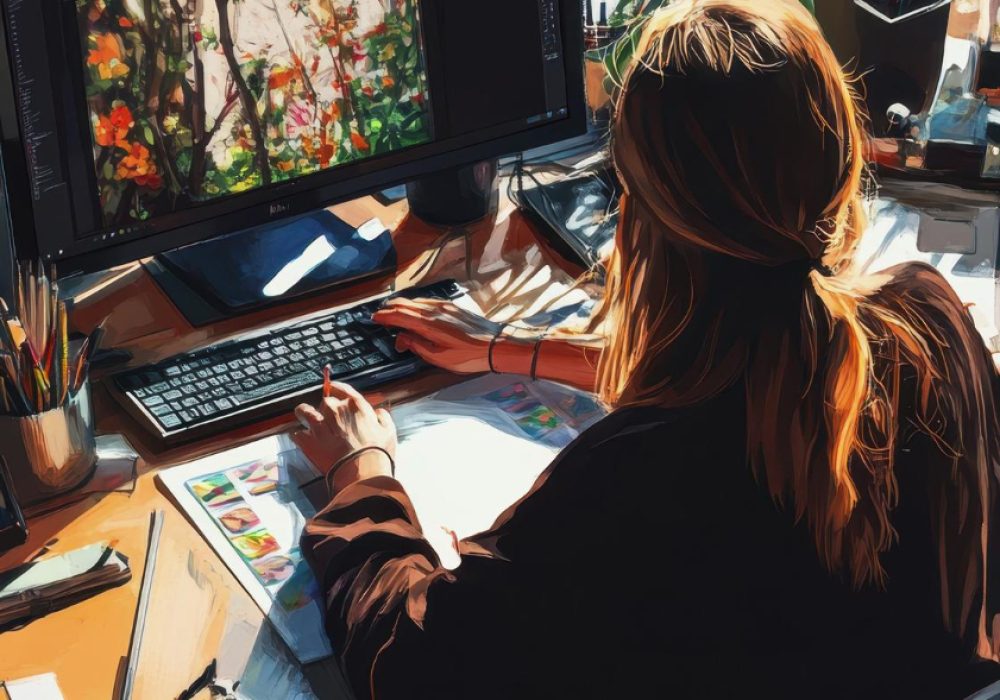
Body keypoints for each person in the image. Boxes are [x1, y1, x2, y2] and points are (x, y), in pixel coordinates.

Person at [294, 1, 1000, 697]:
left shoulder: (633, 479)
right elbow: (747, 362)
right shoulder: (928, 320)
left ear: (636, 219)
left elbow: (411, 667)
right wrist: (508, 349)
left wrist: (363, 475)